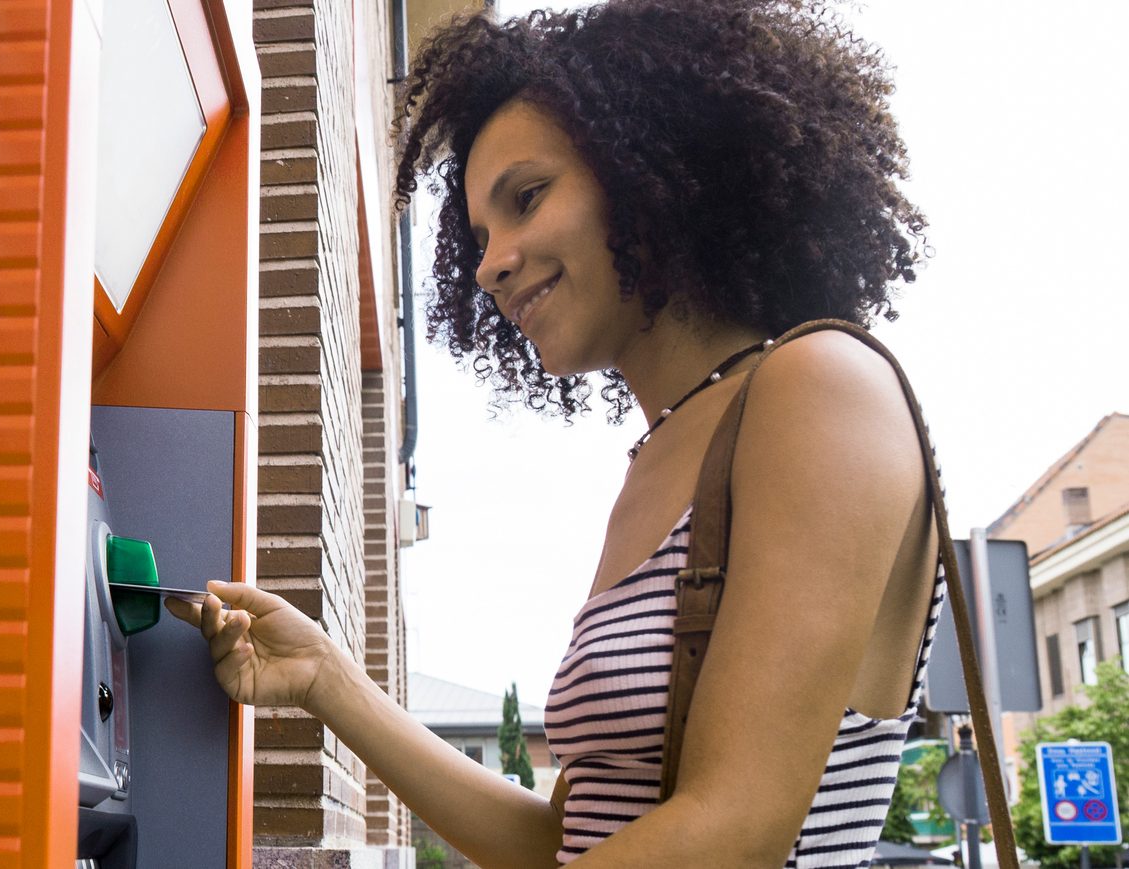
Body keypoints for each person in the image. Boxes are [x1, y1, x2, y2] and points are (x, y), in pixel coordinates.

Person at [165, 1, 946, 865]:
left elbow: (732, 832)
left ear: (649, 165)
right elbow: (560, 842)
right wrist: (327, 679)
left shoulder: (819, 387)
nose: (490, 261)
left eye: (526, 198)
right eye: (479, 233)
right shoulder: (661, 461)